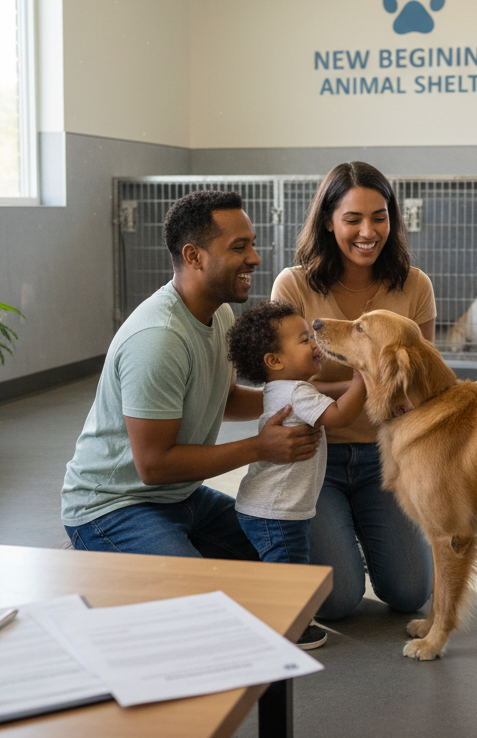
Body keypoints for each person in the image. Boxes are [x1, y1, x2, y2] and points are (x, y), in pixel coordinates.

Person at [62, 189, 321, 565]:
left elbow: (224, 396)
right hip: (114, 507)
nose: (255, 258)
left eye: (252, 244)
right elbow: (154, 466)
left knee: (283, 557)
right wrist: (260, 447)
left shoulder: (219, 315)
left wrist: (310, 396)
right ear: (193, 256)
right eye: (239, 247)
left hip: (182, 496)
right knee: (200, 599)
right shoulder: (159, 338)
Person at [270, 161, 436, 621]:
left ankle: (362, 533)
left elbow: (419, 385)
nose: (369, 231)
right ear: (328, 220)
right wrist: (371, 376)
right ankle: (342, 539)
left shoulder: (415, 286)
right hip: (313, 459)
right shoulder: (293, 285)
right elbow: (285, 385)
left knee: (410, 593)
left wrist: (338, 383)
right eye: (353, 219)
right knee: (338, 602)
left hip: (387, 456)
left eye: (379, 217)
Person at [225, 300, 367, 646]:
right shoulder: (298, 392)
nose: (315, 344)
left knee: (281, 565)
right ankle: (291, 628)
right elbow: (338, 418)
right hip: (278, 509)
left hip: (268, 504)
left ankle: (268, 612)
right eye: (304, 340)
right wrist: (365, 374)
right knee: (290, 569)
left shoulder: (278, 389)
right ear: (274, 361)